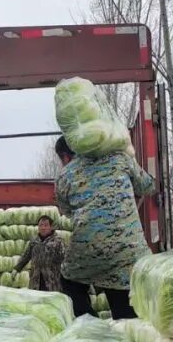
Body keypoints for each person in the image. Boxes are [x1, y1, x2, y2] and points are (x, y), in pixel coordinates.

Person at [53, 135, 154, 319]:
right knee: (124, 299)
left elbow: (66, 211)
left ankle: (90, 325)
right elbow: (148, 187)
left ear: (65, 157)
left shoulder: (65, 175)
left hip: (87, 252)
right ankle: (125, 325)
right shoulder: (119, 158)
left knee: (69, 281)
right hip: (129, 253)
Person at [13, 216, 65, 292]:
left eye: (46, 225)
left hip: (51, 282)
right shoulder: (34, 241)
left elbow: (65, 259)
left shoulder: (58, 241)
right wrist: (17, 269)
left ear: (51, 227)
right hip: (35, 281)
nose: (43, 228)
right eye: (40, 225)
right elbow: (26, 256)